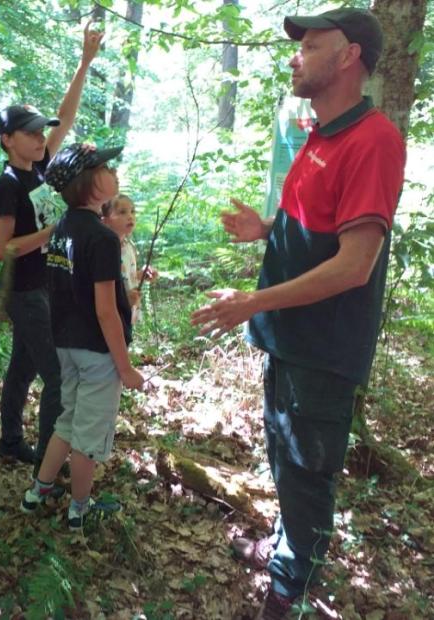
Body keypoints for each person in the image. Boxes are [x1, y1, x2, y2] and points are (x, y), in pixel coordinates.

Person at [190, 8, 405, 618]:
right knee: (284, 457)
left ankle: (289, 591)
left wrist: (252, 302)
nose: (296, 55)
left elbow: (353, 265)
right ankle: (289, 554)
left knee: (308, 473)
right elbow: (318, 230)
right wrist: (267, 230)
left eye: (312, 46)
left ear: (350, 56)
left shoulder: (374, 140)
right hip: (287, 338)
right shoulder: (320, 133)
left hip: (324, 349)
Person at [0, 21, 103, 467]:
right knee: (56, 376)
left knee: (24, 366)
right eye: (32, 133)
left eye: (42, 133)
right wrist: (51, 235)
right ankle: (46, 468)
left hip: (46, 287)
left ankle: (10, 442)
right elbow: (4, 249)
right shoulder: (7, 185)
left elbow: (67, 116)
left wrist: (85, 62)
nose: (41, 139)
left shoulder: (39, 167)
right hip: (24, 291)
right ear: (7, 139)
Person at [20, 144, 144, 530]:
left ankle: (39, 489)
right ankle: (80, 508)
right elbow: (106, 310)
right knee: (88, 437)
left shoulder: (62, 231)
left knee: (68, 421)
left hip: (66, 346)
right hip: (97, 353)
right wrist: (125, 367)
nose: (113, 171)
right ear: (91, 184)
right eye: (104, 167)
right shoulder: (103, 239)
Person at [101, 194, 156, 324]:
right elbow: (105, 286)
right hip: (115, 315)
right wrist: (124, 300)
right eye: (122, 212)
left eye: (132, 211)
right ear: (105, 221)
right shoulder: (105, 250)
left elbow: (126, 276)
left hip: (129, 312)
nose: (130, 216)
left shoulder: (128, 246)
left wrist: (141, 275)